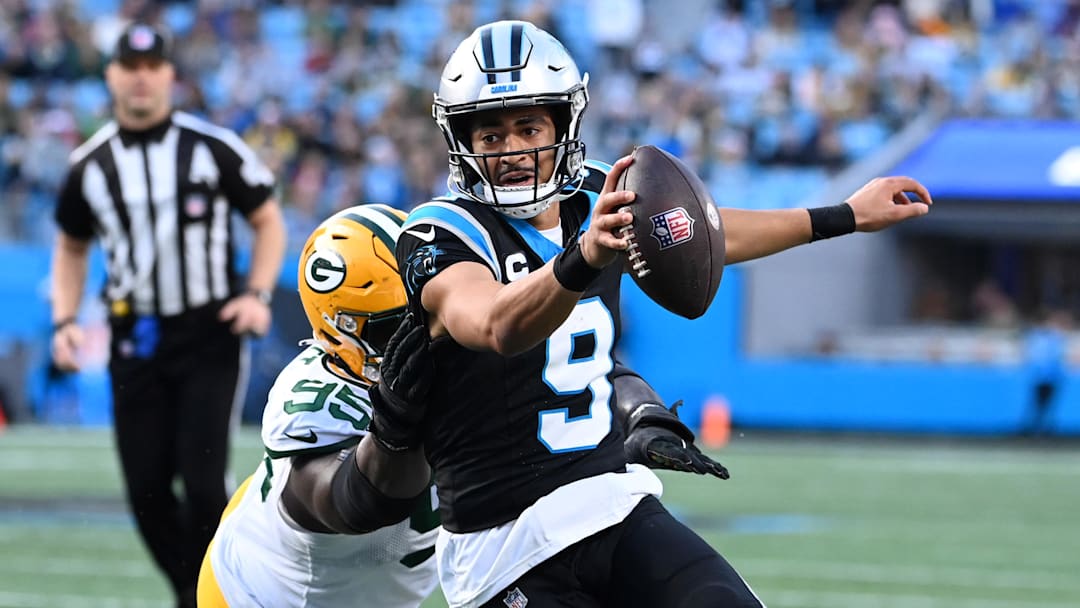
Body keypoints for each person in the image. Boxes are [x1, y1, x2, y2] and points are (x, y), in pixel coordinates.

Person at [395, 20, 933, 608]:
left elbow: (707, 232)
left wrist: (842, 215)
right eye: (491, 135)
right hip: (501, 543)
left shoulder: (597, 195)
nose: (513, 151)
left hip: (606, 502)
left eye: (529, 127)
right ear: (463, 142)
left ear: (564, 126)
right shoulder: (439, 231)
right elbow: (497, 325)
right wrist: (582, 257)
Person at [49, 23, 286, 608]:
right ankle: (194, 590)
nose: (140, 78)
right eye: (129, 67)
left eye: (152, 66)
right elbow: (71, 245)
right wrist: (65, 318)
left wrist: (255, 294)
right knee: (147, 493)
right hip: (136, 337)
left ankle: (215, 595)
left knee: (204, 485)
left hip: (208, 332)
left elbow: (268, 219)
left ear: (168, 76)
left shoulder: (211, 148)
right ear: (110, 76)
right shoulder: (90, 164)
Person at [197, 204, 440, 607]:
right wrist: (398, 425)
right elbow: (356, 505)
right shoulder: (317, 404)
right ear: (343, 326)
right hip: (261, 595)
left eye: (430, 308)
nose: (425, 331)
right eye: (399, 324)